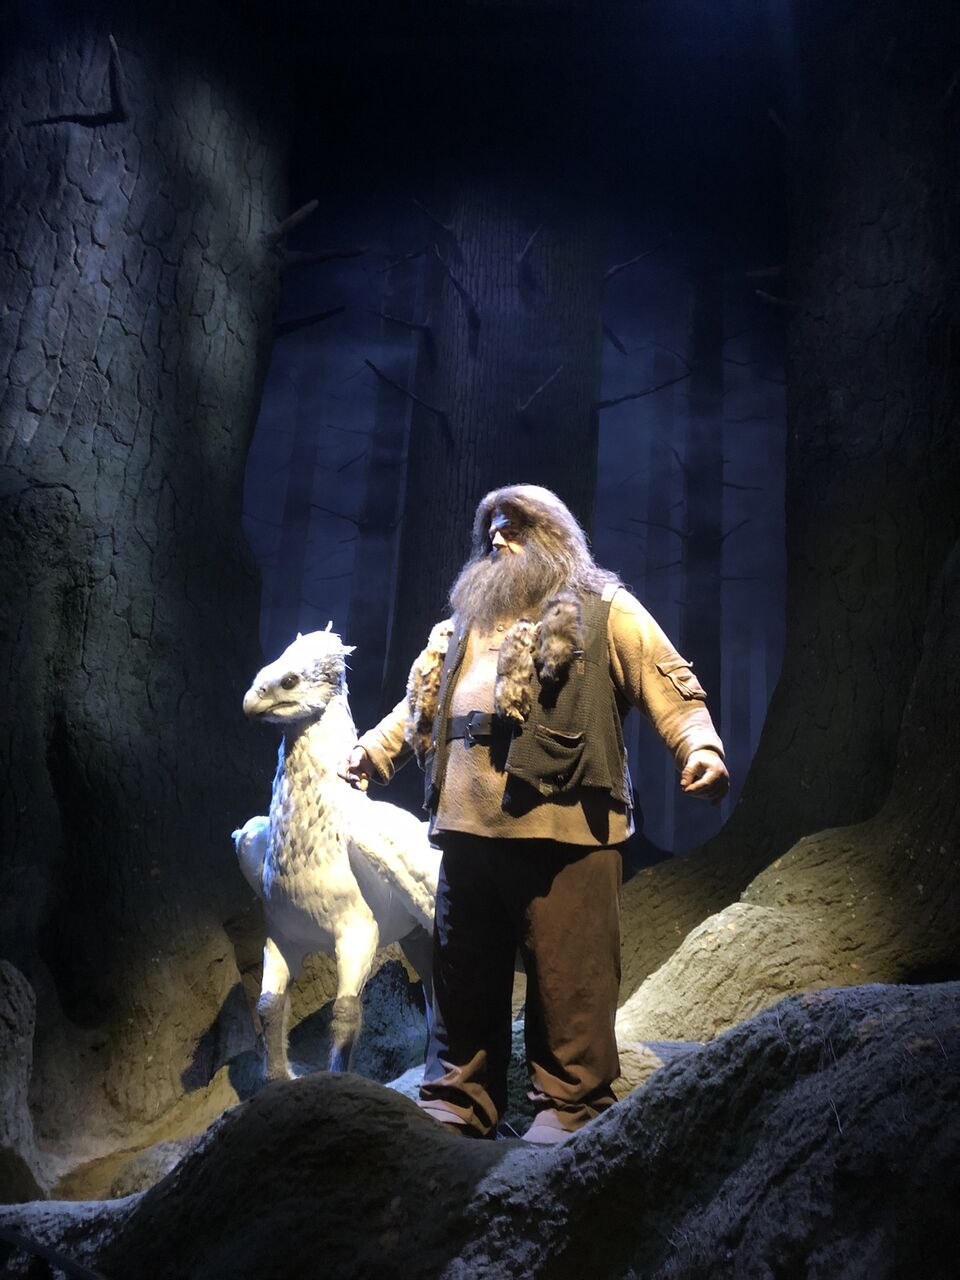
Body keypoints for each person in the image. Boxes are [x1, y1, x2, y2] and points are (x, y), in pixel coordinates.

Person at [340, 483, 728, 1143]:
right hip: (468, 833)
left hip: (567, 830)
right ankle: (458, 1099)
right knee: (463, 978)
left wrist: (700, 746)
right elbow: (419, 704)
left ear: (553, 535)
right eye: (491, 529)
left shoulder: (605, 608)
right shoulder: (462, 626)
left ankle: (572, 1107)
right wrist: (373, 753)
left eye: (515, 526)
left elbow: (666, 679)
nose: (499, 538)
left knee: (571, 978)